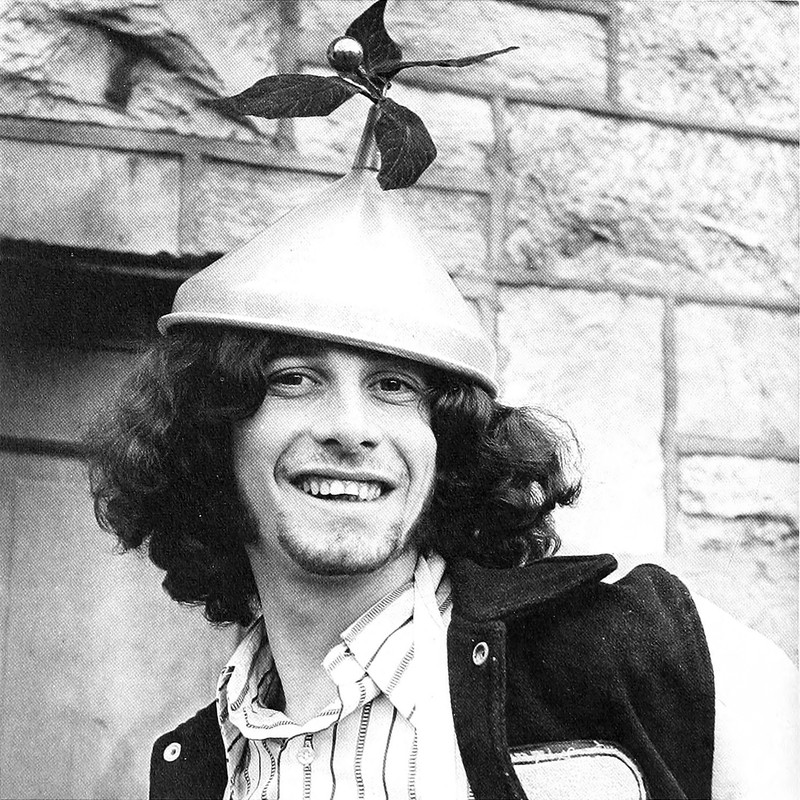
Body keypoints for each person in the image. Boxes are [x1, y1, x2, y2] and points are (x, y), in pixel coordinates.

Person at [88, 114, 797, 800]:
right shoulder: (193, 771)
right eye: (293, 379)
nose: (350, 429)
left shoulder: (652, 654)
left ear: (447, 446)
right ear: (211, 433)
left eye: (394, 387)